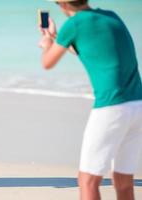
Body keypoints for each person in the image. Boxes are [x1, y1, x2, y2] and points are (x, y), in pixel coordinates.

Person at [38, 0, 142, 199]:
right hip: (138, 104)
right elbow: (90, 50)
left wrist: (47, 44)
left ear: (62, 4)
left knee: (88, 181)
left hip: (111, 107)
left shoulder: (74, 24)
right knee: (123, 181)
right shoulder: (111, 16)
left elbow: (47, 62)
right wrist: (56, 37)